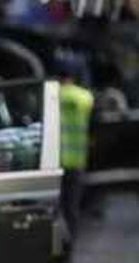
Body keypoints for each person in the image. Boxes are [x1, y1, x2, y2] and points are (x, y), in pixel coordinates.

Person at [59, 65, 94, 247]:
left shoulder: (52, 96)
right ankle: (71, 243)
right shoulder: (84, 97)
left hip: (56, 161)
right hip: (77, 160)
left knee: (55, 207)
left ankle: (58, 245)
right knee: (72, 206)